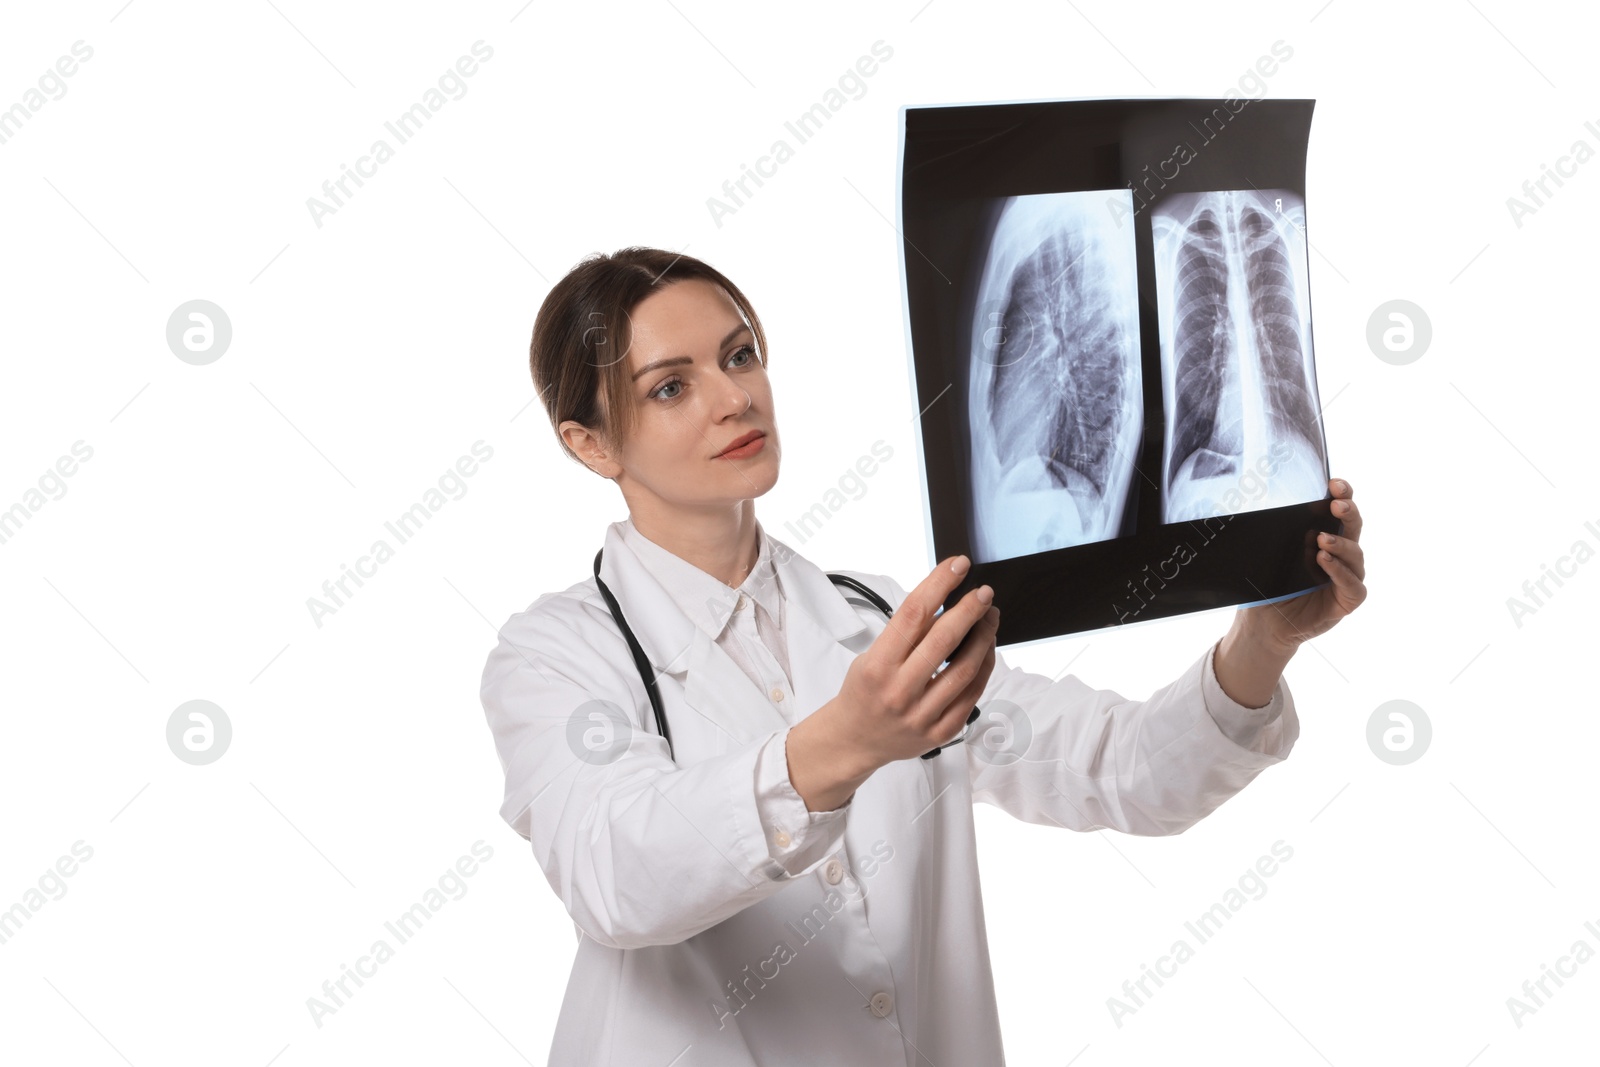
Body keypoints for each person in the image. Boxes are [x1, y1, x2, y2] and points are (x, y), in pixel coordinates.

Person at [478, 246, 1367, 1066]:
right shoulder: (557, 653)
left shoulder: (872, 615)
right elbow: (615, 878)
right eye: (671, 387)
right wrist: (849, 742)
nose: (733, 397)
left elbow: (1118, 770)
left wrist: (1262, 642)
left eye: (740, 355)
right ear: (589, 442)